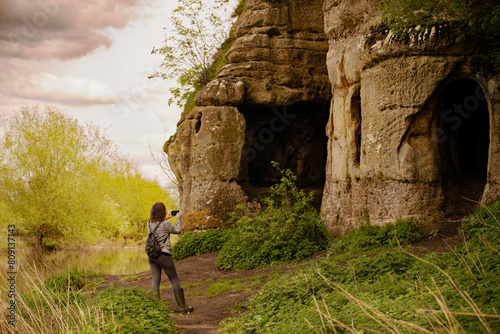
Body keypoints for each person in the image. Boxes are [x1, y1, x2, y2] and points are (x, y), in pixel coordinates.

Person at [147, 202, 194, 312]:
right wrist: (178, 218)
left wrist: (166, 218)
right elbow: (178, 230)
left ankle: (156, 308)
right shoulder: (165, 224)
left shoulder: (149, 223)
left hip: (152, 255)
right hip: (164, 255)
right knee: (174, 280)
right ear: (163, 211)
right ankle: (183, 307)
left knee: (155, 279)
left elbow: (159, 227)